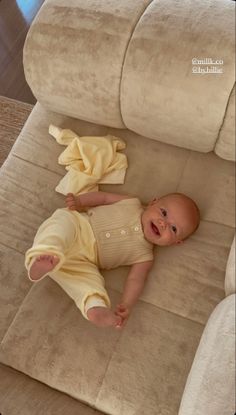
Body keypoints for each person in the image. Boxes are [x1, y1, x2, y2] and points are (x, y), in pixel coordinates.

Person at [25, 191, 200, 329]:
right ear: (153, 202)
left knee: (89, 281)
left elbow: (135, 280)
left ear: (176, 243)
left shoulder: (145, 256)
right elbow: (104, 197)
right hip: (79, 225)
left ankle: (94, 306)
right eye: (163, 213)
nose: (163, 223)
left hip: (85, 261)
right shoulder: (132, 202)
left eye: (174, 228)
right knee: (60, 225)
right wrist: (80, 201)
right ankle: (46, 252)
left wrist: (127, 303)